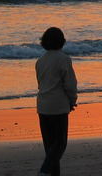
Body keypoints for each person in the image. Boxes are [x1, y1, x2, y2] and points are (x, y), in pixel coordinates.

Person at [36, 27, 77, 176]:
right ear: (62, 42)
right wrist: (72, 100)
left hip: (42, 106)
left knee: (50, 148)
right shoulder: (64, 59)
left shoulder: (40, 61)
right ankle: (44, 171)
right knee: (60, 144)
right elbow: (70, 84)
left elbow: (41, 84)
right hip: (58, 107)